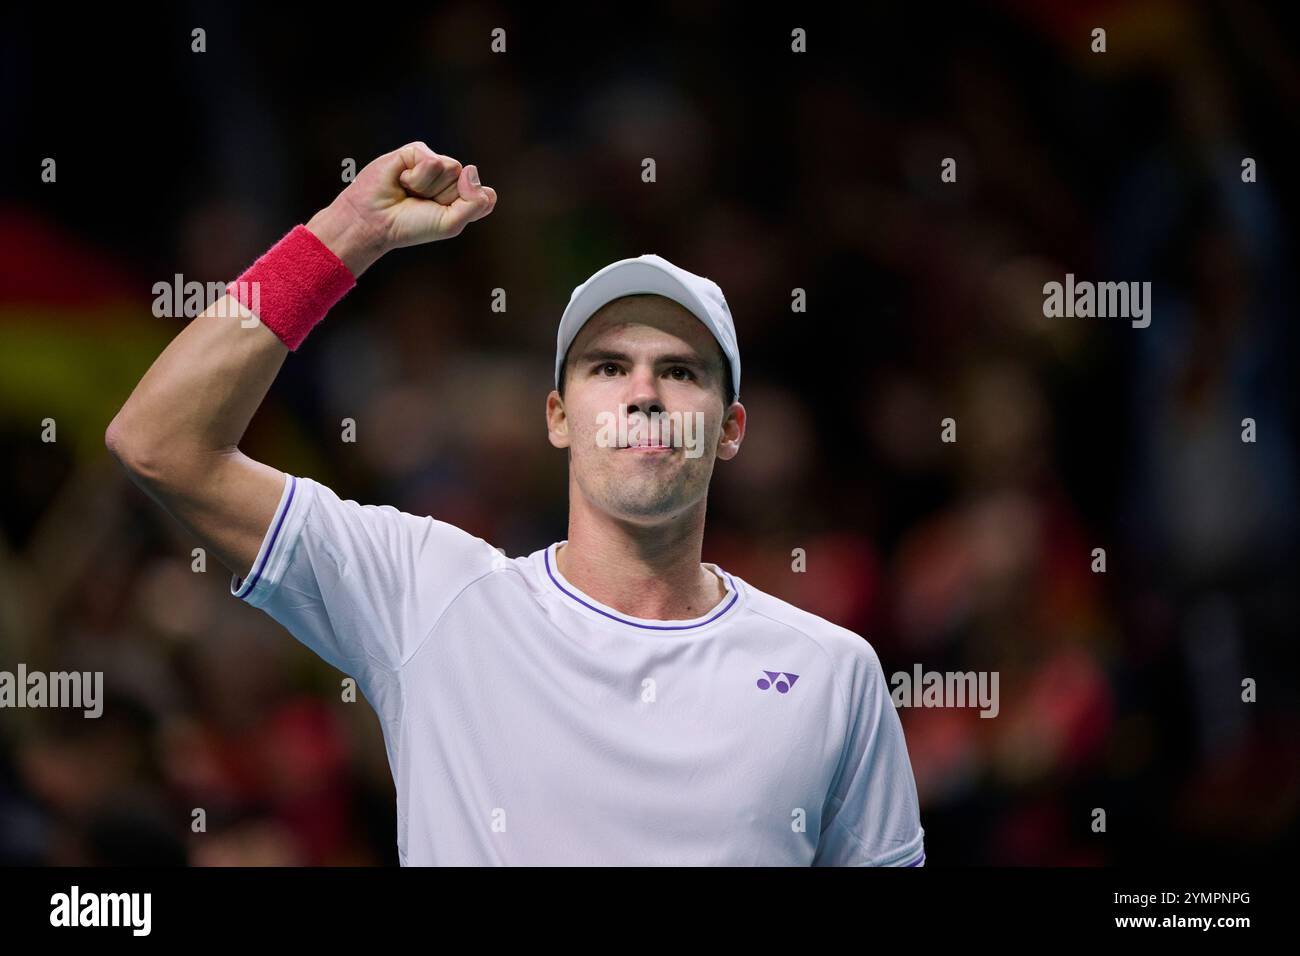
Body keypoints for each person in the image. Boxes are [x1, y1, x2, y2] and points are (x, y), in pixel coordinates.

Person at [106, 142, 925, 866]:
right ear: (558, 418)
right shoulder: (427, 595)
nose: (643, 395)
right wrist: (348, 232)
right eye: (607, 368)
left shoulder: (831, 674)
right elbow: (159, 440)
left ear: (730, 427)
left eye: (679, 371)